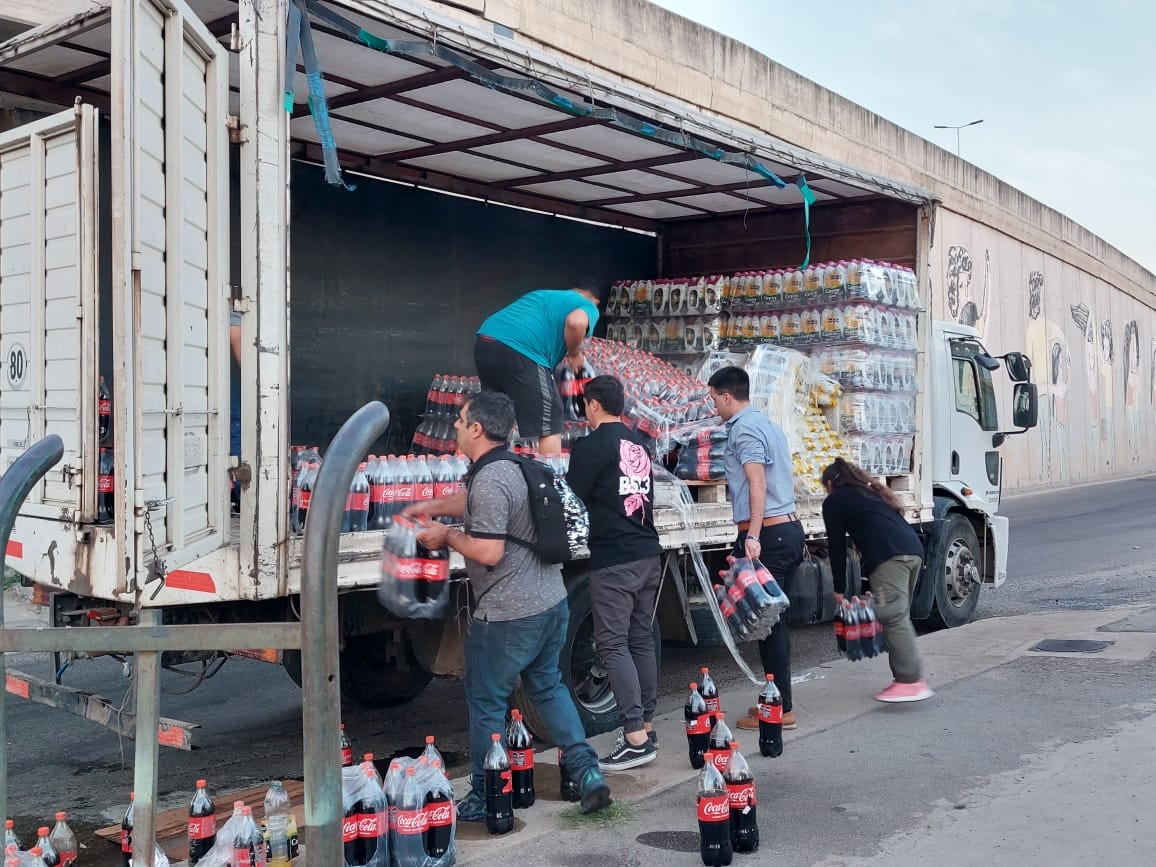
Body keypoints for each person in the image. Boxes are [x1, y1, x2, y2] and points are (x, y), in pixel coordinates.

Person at [404, 390, 612, 817]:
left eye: (461, 421)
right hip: (551, 603)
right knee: (549, 687)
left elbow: (488, 552)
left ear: (477, 428)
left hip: (508, 614)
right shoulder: (513, 466)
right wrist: (433, 506)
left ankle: (484, 793)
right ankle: (587, 773)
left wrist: (446, 536)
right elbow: (478, 501)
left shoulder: (492, 478)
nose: (457, 428)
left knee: (486, 702)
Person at [566, 375, 663, 771]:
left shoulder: (591, 447)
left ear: (592, 404)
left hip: (615, 558)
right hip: (647, 552)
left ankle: (635, 736)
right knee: (639, 639)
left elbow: (570, 497)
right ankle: (647, 726)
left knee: (611, 644)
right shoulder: (639, 442)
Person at [707, 366, 804, 732]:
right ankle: (775, 701)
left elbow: (757, 482)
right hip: (785, 530)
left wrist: (753, 536)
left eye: (715, 399)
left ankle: (780, 709)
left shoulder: (745, 429)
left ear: (727, 396)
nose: (714, 406)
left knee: (770, 624)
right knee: (771, 624)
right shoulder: (765, 423)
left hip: (770, 535)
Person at [820, 457, 933, 702]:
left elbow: (837, 547)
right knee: (899, 617)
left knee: (893, 617)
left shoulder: (835, 501)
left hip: (889, 558)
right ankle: (905, 678)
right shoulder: (870, 493)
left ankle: (910, 681)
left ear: (830, 484)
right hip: (912, 552)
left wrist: (839, 588)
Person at [474, 282, 602, 456]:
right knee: (550, 420)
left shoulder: (544, 295)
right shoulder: (587, 305)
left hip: (485, 343)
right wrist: (574, 354)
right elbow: (576, 322)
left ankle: (486, 471)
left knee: (494, 415)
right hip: (523, 350)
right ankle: (549, 477)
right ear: (595, 300)